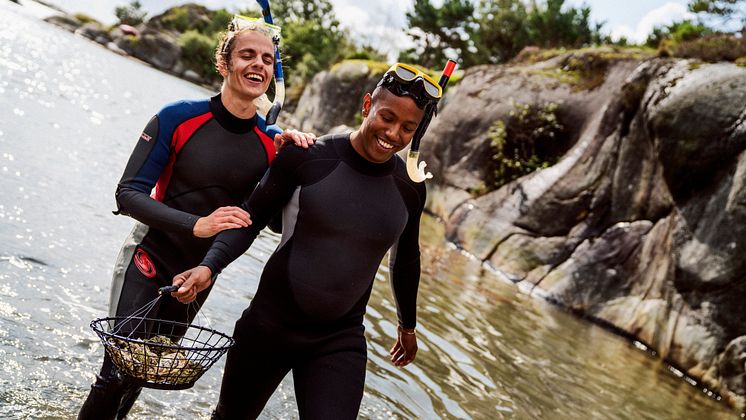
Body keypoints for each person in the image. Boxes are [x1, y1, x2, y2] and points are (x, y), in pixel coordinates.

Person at [171, 63, 445, 419]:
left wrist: (407, 326)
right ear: (367, 106)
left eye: (408, 128)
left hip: (339, 340)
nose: (393, 134)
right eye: (387, 118)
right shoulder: (308, 157)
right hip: (269, 325)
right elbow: (250, 220)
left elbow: (406, 258)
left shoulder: (410, 187)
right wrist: (210, 266)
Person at [78, 17, 316, 420]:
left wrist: (289, 164)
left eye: (266, 58)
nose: (257, 64)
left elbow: (269, 223)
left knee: (145, 371)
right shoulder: (177, 117)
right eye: (246, 55)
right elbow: (128, 194)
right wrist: (196, 224)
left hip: (198, 275)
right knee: (115, 372)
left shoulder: (271, 143)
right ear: (223, 63)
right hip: (149, 255)